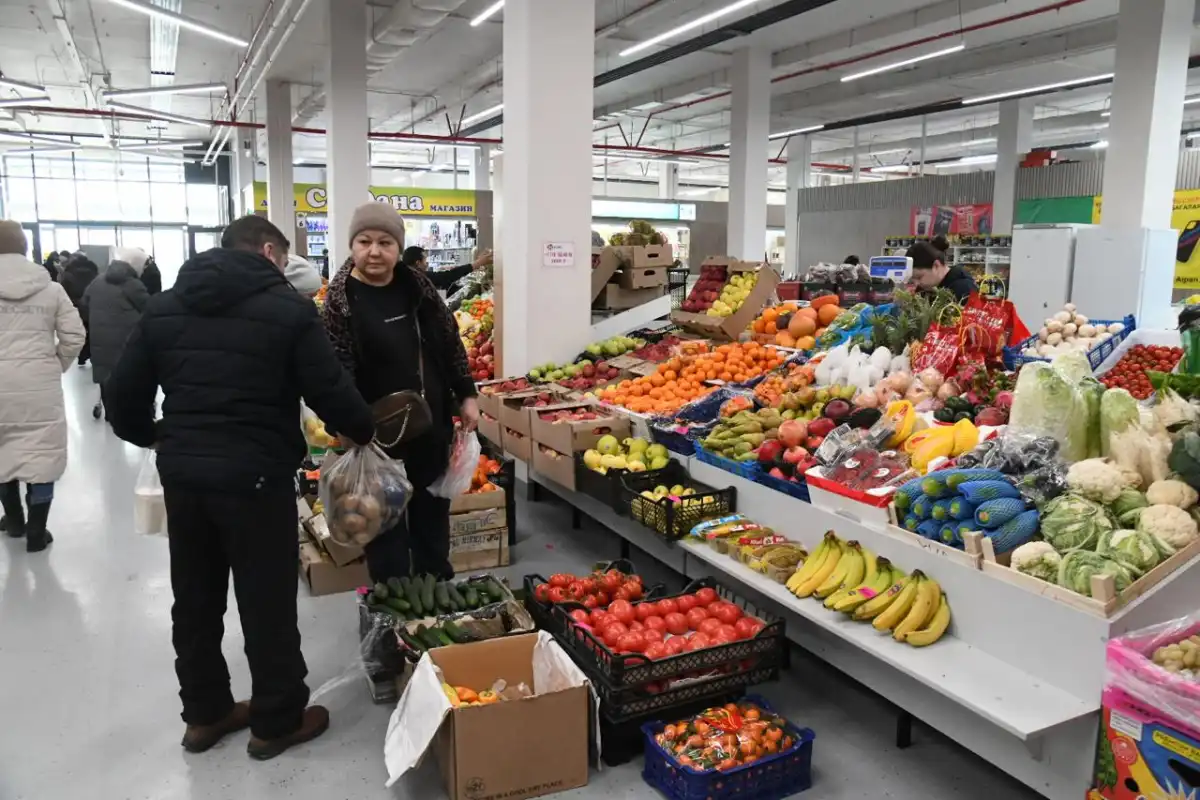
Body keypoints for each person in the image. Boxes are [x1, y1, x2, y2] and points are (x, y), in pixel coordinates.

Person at [104, 215, 375, 760]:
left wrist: (156, 436)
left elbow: (121, 394)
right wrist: (363, 430)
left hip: (185, 478)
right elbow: (329, 390)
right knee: (265, 601)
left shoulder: (165, 307)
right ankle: (276, 721)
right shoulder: (288, 311)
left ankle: (205, 715)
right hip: (256, 477)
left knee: (195, 599)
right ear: (270, 252)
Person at [323, 203, 481, 582]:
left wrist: (467, 393)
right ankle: (392, 599)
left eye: (385, 242)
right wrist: (344, 422)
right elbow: (335, 368)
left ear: (398, 247)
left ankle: (435, 589)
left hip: (431, 422)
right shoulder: (341, 300)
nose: (374, 251)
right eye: (364, 241)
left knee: (432, 516)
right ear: (352, 245)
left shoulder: (417, 287)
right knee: (383, 523)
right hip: (374, 435)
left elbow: (449, 342)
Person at [0, 221, 85, 552]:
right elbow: (74, 335)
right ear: (24, 247)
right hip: (39, 385)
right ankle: (37, 529)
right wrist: (54, 365)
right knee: (42, 453)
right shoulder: (51, 289)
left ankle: (13, 520)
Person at [81, 246, 151, 419]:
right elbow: (149, 309)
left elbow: (84, 304)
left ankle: (109, 412)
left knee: (105, 376)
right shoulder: (132, 285)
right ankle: (126, 414)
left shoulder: (97, 281)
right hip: (127, 341)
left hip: (100, 340)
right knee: (128, 378)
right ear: (136, 265)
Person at [59, 252, 100, 366]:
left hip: (74, 305)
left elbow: (64, 291)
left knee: (77, 332)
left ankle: (81, 354)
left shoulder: (68, 273)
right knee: (92, 331)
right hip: (91, 304)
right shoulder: (94, 271)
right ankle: (88, 354)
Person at [907, 240, 977, 302]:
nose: (916, 283)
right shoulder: (926, 288)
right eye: (913, 279)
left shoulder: (964, 289)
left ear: (936, 265)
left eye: (919, 277)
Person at [402, 245, 492, 291]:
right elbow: (446, 277)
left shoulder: (406, 276)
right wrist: (477, 263)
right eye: (425, 261)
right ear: (418, 263)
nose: (427, 264)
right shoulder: (417, 277)